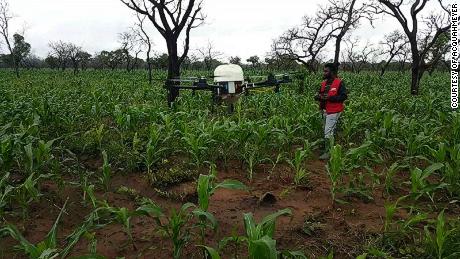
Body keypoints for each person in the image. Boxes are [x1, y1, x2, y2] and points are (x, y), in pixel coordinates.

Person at [315, 63, 348, 160]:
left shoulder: (339, 83)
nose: (324, 73)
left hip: (334, 111)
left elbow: (343, 96)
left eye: (326, 71)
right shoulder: (324, 83)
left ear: (332, 72)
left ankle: (328, 152)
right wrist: (318, 97)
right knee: (327, 130)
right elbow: (320, 94)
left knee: (328, 131)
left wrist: (331, 97)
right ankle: (327, 148)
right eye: (324, 71)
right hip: (325, 110)